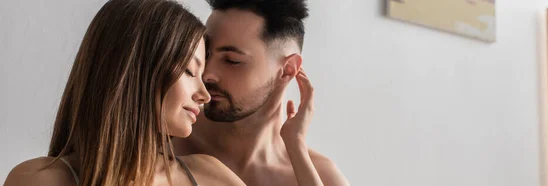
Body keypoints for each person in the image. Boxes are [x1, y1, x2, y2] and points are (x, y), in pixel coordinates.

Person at [4, 0, 245, 185]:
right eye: (190, 71)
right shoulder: (38, 180)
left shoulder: (211, 177)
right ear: (135, 68)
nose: (204, 94)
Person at [172, 0, 350, 185]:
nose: (207, 74)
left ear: (288, 69)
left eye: (232, 61)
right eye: (206, 54)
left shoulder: (322, 178)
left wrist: (296, 148)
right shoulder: (166, 138)